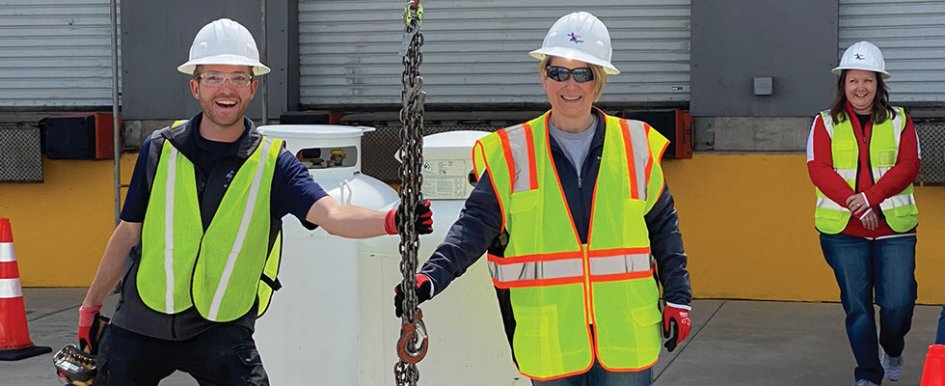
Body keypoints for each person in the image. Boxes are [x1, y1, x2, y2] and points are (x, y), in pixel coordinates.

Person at [75, 18, 431, 385]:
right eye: (213, 77)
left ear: (253, 87)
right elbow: (128, 234)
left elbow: (332, 214)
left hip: (220, 329)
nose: (225, 88)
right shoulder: (158, 149)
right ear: (195, 86)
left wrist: (391, 220)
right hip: (141, 323)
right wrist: (91, 305)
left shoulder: (273, 163)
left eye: (238, 78)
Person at [393, 12, 691, 386]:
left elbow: (664, 229)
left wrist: (678, 297)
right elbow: (472, 229)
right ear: (544, 76)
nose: (570, 85)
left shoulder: (636, 146)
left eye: (582, 72)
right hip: (551, 339)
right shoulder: (512, 152)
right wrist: (428, 278)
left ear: (598, 82)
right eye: (558, 72)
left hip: (625, 335)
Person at [807, 40, 920, 386]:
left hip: (893, 229)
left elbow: (908, 165)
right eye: (853, 80)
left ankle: (893, 348)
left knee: (898, 303)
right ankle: (868, 374)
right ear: (842, 84)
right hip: (844, 232)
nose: (860, 88)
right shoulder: (824, 123)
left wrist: (870, 198)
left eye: (868, 80)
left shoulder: (900, 119)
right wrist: (855, 203)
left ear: (879, 84)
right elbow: (819, 169)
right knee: (858, 308)